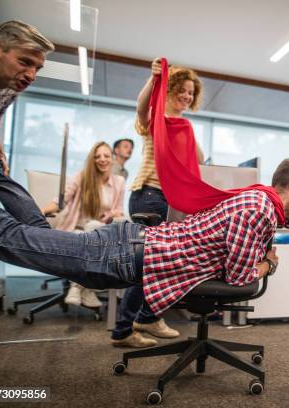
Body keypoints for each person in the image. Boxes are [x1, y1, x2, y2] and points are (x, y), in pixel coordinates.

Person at [0, 155, 289, 333]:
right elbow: (242, 275)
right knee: (9, 240)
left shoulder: (264, 197)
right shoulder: (260, 211)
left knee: (33, 232)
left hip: (131, 245)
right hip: (123, 255)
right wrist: (269, 262)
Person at [110, 59, 206, 347]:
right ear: (171, 88)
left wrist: (186, 133)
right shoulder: (156, 119)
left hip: (164, 198)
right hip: (150, 194)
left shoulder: (181, 125)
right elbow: (141, 107)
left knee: (157, 261)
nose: (187, 97)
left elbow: (199, 159)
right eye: (183, 90)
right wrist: (154, 80)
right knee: (150, 263)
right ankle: (129, 327)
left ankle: (144, 319)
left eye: (191, 93)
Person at [41, 141, 125, 308]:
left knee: (95, 228)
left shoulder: (119, 182)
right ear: (92, 160)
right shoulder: (82, 177)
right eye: (97, 156)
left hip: (99, 232)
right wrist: (40, 211)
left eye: (106, 156)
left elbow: (118, 210)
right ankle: (86, 288)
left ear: (112, 159)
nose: (102, 159)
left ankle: (76, 286)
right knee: (92, 233)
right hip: (75, 231)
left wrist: (115, 214)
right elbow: (60, 201)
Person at [0, 20, 54, 172]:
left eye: (37, 69)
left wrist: (0, 155)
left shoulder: (10, 88)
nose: (32, 76)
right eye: (25, 62)